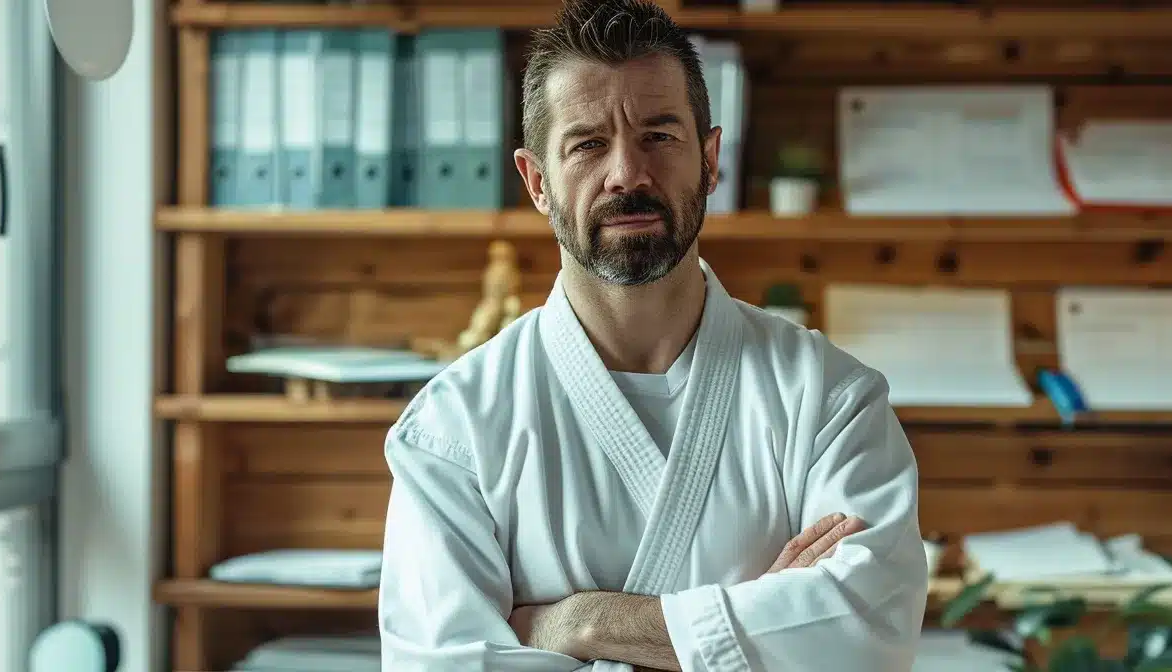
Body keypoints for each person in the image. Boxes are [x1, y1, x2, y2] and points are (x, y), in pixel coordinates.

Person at [376, 0, 928, 669]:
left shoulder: (829, 401)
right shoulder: (453, 429)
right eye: (587, 144)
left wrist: (581, 624)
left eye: (659, 136)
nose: (627, 175)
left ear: (710, 159)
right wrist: (765, 625)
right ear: (537, 182)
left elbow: (865, 636)